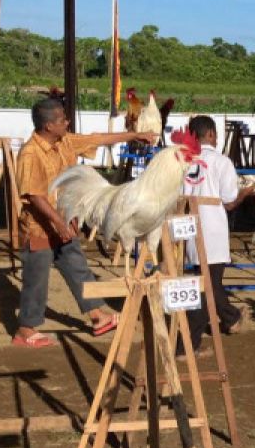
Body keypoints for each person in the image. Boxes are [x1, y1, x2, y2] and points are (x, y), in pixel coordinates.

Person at [14, 98, 157, 348]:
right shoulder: (30, 153)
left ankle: (96, 315)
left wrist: (137, 134)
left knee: (76, 265)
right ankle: (26, 329)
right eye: (61, 120)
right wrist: (58, 221)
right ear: (48, 126)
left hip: (63, 222)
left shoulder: (64, 141)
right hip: (39, 227)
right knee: (36, 278)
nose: (67, 122)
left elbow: (98, 139)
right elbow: (34, 195)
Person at [181, 115, 255, 356]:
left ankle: (230, 318)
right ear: (212, 134)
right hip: (212, 229)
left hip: (190, 228)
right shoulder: (221, 162)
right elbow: (229, 202)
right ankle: (188, 345)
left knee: (204, 282)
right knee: (208, 285)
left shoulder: (184, 160)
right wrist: (247, 192)